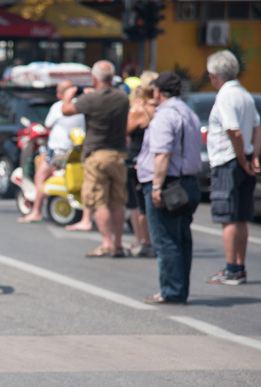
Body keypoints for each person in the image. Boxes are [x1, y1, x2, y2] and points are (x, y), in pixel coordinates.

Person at [136, 71, 202, 304]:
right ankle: (178, 289)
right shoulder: (188, 112)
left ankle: (172, 292)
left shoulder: (165, 115)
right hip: (187, 182)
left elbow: (162, 154)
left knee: (166, 241)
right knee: (181, 238)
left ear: (157, 92)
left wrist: (156, 187)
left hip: (169, 185)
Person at [61, 60, 130, 257]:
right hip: (118, 154)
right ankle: (118, 244)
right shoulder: (122, 98)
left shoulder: (90, 100)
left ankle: (107, 243)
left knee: (99, 201)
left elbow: (66, 110)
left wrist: (68, 97)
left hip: (97, 155)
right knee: (117, 201)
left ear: (94, 78)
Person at [205, 50, 261, 285]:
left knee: (228, 217)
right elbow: (257, 128)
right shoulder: (245, 95)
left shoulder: (225, 96)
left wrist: (241, 159)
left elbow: (234, 131)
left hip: (229, 161)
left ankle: (231, 269)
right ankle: (239, 267)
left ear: (215, 75)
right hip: (242, 158)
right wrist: (253, 156)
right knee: (240, 218)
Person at [18, 80, 85, 223]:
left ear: (62, 93)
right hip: (76, 151)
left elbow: (47, 125)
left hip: (58, 151)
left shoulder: (58, 107)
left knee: (40, 177)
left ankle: (36, 211)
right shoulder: (80, 106)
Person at [125, 71, 158, 256]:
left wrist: (132, 110)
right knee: (148, 202)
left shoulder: (139, 111)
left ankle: (144, 241)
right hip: (153, 159)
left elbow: (126, 132)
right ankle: (149, 241)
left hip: (137, 160)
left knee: (138, 204)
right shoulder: (161, 109)